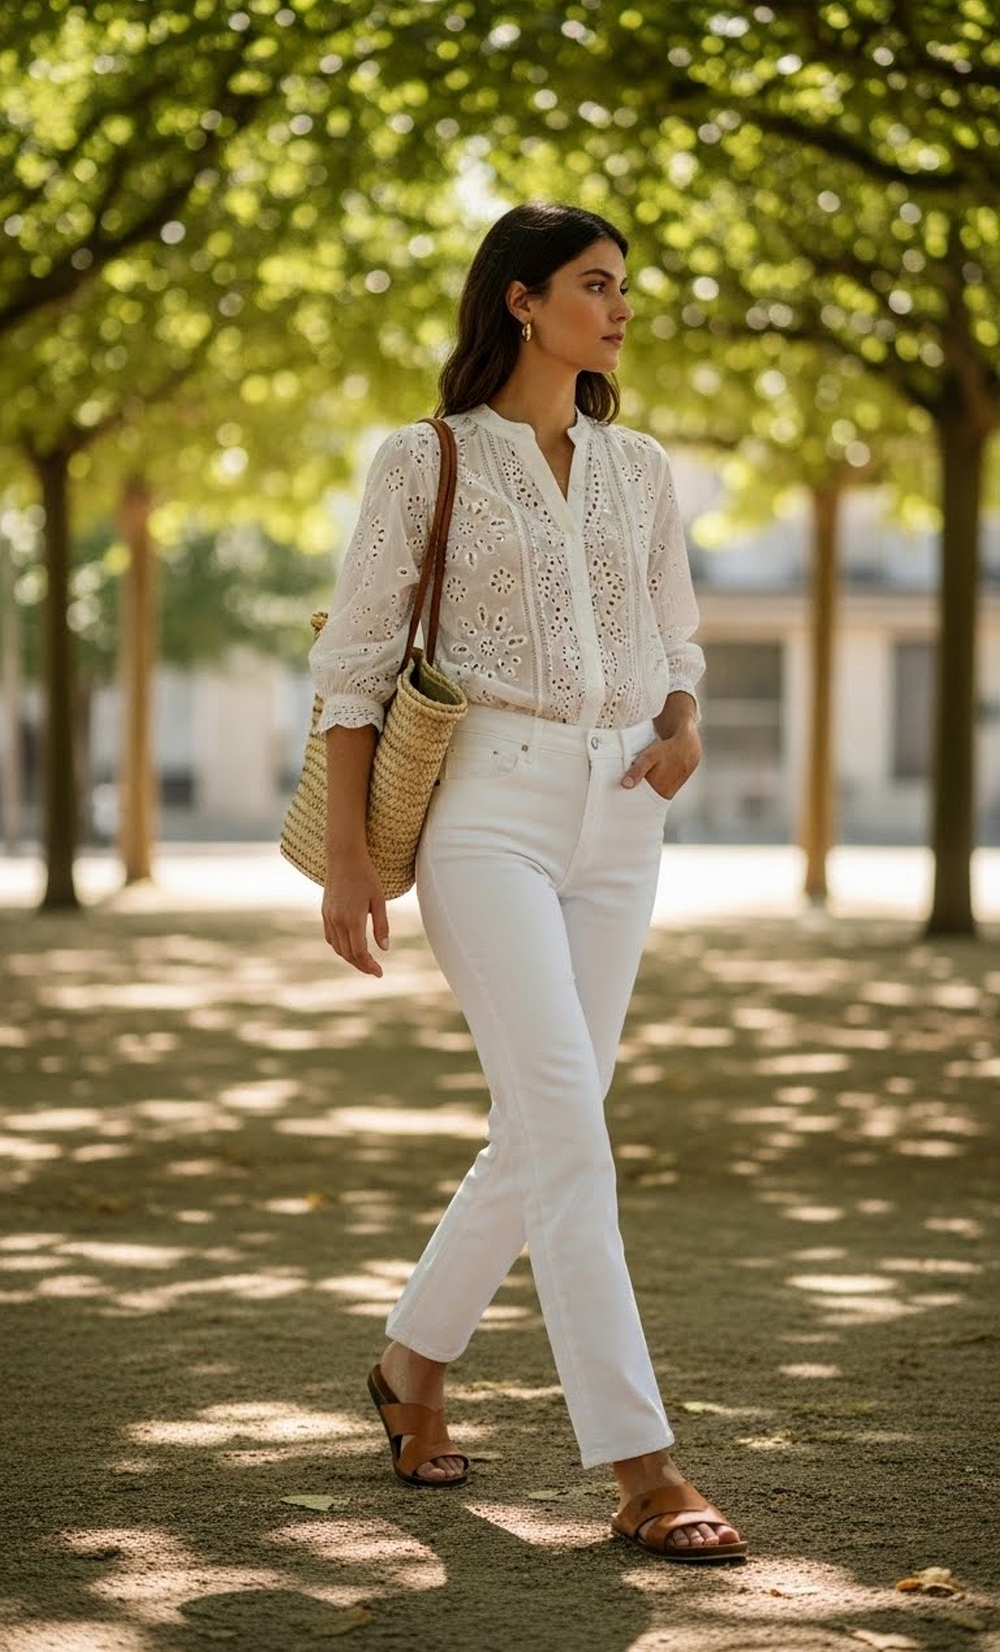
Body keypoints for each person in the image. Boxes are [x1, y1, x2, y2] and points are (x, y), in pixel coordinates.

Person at [309, 201, 747, 1564]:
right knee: (568, 1128)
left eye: (623, 286)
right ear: (520, 298)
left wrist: (682, 725)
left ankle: (411, 1366)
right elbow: (355, 664)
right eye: (595, 284)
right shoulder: (424, 458)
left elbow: (676, 634)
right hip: (485, 811)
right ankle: (642, 1464)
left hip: (625, 813)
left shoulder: (640, 466)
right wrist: (347, 857)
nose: (620, 309)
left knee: (550, 1121)